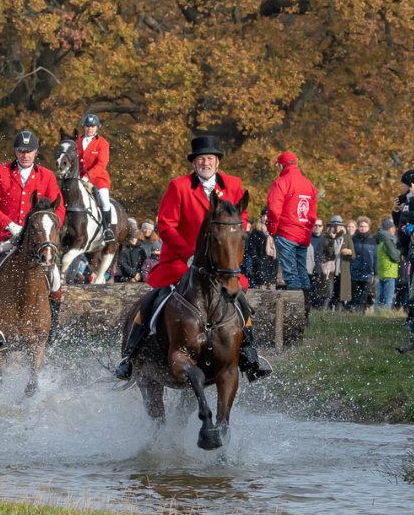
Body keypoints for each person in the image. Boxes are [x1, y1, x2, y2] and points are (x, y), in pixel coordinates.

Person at [115, 135, 271, 382]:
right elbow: (166, 226)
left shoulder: (234, 184)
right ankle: (129, 356)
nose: (205, 163)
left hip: (221, 266)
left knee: (240, 301)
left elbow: (241, 219)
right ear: (194, 164)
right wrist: (188, 255)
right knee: (150, 301)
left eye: (210, 158)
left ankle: (249, 354)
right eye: (200, 159)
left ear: (217, 162)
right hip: (181, 262)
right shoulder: (178, 186)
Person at [0, 131, 67, 350]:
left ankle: (52, 331)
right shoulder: (0, 172)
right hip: (3, 237)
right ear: (15, 152)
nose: (25, 155)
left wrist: (47, 227)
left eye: (29, 151)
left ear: (36, 153)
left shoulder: (47, 176)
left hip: (36, 242)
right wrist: (10, 225)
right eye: (21, 151)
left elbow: (58, 207)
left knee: (56, 280)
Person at [266, 152, 318, 321]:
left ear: (281, 166)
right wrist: (307, 232)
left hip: (286, 232)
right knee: (302, 272)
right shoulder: (309, 185)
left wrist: (272, 229)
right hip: (302, 235)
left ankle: (295, 317)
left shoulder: (281, 182)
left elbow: (274, 209)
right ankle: (305, 315)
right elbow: (312, 215)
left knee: (290, 274)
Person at [76, 114, 115, 243]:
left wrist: (87, 178)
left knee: (104, 201)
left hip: (98, 179)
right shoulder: (77, 141)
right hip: (78, 177)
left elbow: (101, 165)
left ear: (97, 127)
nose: (89, 129)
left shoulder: (103, 143)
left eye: (92, 126)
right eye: (87, 126)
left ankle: (107, 229)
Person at [348, 216, 377, 313]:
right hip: (355, 270)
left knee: (364, 295)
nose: (363, 228)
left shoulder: (372, 241)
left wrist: (376, 272)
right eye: (361, 226)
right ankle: (354, 312)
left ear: (368, 228)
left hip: (367, 272)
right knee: (355, 294)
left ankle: (362, 313)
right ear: (358, 227)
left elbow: (375, 257)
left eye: (365, 226)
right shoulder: (353, 240)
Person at [245, 207, 277, 289]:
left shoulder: (274, 231)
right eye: (264, 216)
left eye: (267, 216)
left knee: (272, 291)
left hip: (272, 264)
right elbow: (251, 247)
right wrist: (257, 259)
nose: (265, 218)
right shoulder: (256, 231)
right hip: (260, 264)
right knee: (260, 290)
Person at [375, 218, 401, 312]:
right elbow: (395, 255)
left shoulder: (381, 238)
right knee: (388, 298)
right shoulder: (387, 240)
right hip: (389, 271)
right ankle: (385, 315)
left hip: (382, 271)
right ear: (390, 229)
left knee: (380, 297)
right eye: (393, 228)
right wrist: (399, 252)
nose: (394, 230)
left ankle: (377, 314)